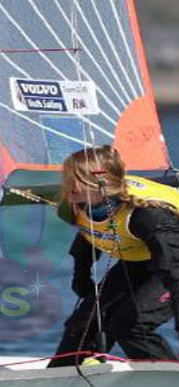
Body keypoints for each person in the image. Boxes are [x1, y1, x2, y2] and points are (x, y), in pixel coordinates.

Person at [47, 146, 179, 368]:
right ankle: (62, 382)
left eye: (75, 179)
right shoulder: (77, 204)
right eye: (66, 178)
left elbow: (173, 268)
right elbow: (90, 235)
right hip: (143, 257)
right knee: (85, 321)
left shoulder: (148, 216)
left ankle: (167, 385)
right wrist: (82, 277)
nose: (67, 186)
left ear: (101, 184)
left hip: (174, 259)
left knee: (131, 323)